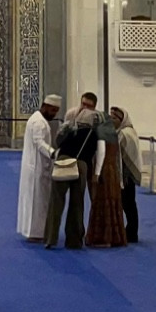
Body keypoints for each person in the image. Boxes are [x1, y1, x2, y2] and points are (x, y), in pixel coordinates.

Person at [44, 96, 99, 250]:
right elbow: (96, 151)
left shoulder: (70, 124)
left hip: (64, 161)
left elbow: (58, 142)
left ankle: (50, 237)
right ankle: (74, 240)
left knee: (56, 201)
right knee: (77, 203)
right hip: (81, 165)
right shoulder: (96, 130)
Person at [16, 97, 59, 241]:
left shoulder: (38, 118)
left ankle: (36, 231)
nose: (54, 114)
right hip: (36, 168)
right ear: (45, 106)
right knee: (37, 201)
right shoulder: (39, 122)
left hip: (37, 166)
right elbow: (39, 142)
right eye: (53, 110)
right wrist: (53, 152)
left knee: (38, 201)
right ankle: (35, 233)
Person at [85, 102, 127, 249]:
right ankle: (115, 237)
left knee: (101, 202)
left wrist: (96, 173)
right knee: (113, 202)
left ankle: (103, 238)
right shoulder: (113, 134)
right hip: (113, 172)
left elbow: (101, 153)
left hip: (104, 171)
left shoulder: (102, 132)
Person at [114, 107, 143, 245]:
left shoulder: (126, 134)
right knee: (127, 203)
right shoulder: (123, 132)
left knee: (129, 203)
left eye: (114, 118)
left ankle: (132, 232)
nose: (112, 120)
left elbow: (125, 155)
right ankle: (129, 231)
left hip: (126, 174)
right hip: (124, 172)